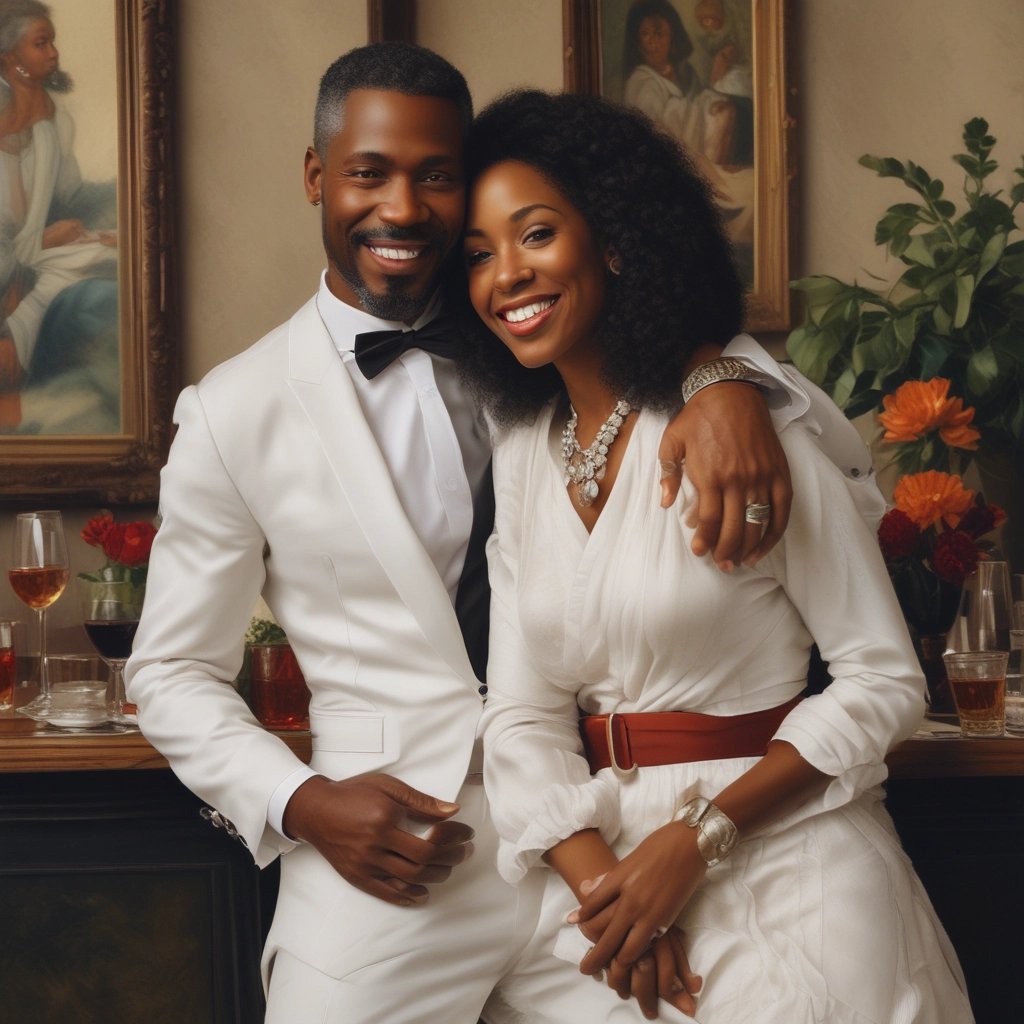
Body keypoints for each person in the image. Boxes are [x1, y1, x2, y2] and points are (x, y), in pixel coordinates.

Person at [126, 43, 824, 1024]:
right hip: (385, 871)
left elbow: (656, 313)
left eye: (436, 176)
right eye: (368, 173)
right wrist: (301, 802)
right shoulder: (232, 411)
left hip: (598, 846)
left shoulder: (529, 326)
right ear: (315, 175)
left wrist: (719, 375)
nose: (403, 209)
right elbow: (168, 672)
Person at [460, 89, 974, 1022]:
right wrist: (608, 894)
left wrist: (696, 841)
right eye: (479, 254)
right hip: (612, 903)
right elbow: (523, 714)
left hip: (791, 868)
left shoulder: (744, 431)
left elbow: (883, 681)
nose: (506, 275)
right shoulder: (523, 452)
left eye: (535, 234)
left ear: (613, 239)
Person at [0, 0, 118, 428]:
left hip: (38, 260)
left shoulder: (54, 126)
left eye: (53, 42)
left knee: (105, 265)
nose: (54, 53)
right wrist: (43, 240)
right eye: (41, 43)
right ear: (11, 58)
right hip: (10, 268)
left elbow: (71, 195)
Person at [621, 0, 754, 262]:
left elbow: (697, 106)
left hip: (699, 160)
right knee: (747, 197)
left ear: (673, 37)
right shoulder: (641, 82)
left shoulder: (682, 74)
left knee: (754, 185)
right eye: (645, 34)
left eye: (659, 33)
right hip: (674, 170)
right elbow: (657, 133)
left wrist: (712, 100)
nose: (652, 42)